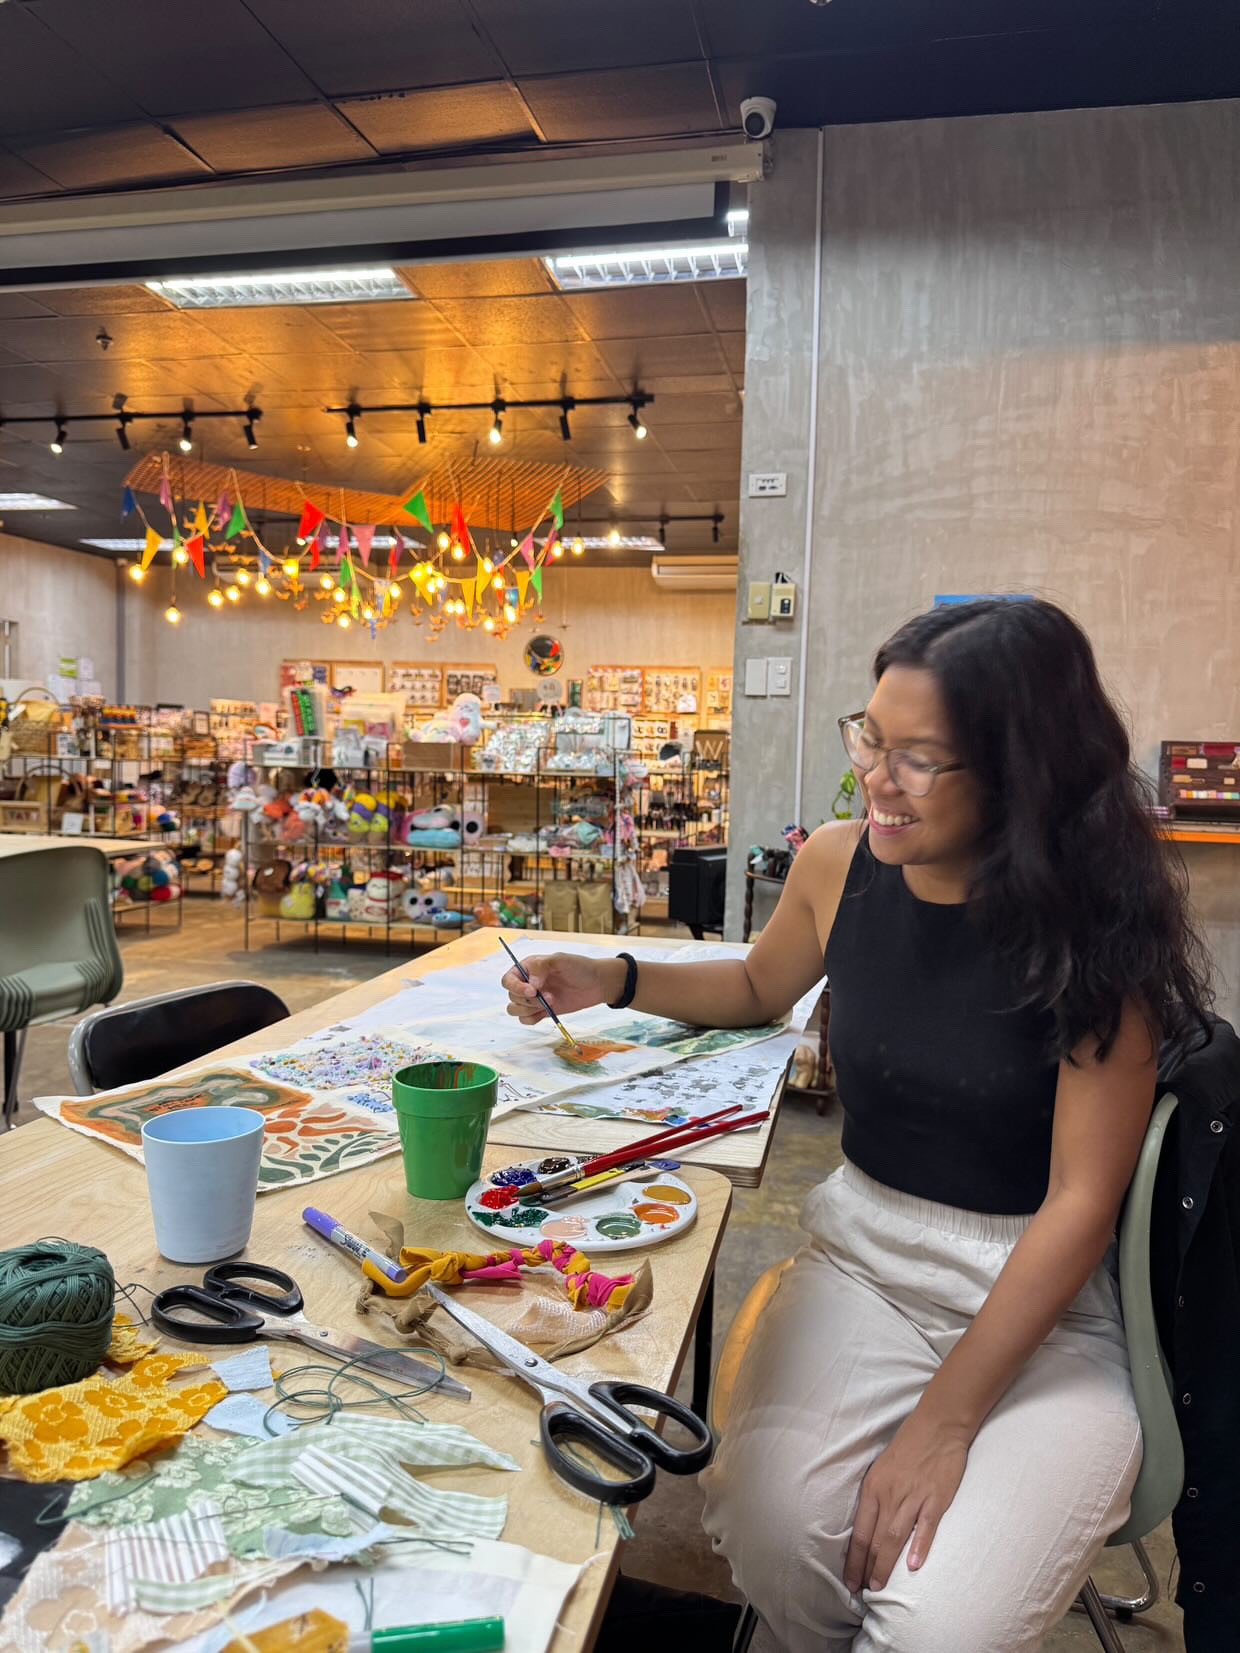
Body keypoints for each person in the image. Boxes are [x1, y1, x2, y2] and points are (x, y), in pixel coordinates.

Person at [502, 598, 1213, 1652]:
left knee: (938, 1625)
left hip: (1044, 1309)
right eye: (871, 737)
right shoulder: (838, 864)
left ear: (1024, 774)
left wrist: (943, 1425)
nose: (876, 777)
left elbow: (1078, 1204)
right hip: (863, 1266)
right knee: (770, 1535)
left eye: (921, 759)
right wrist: (612, 974)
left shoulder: (1092, 934)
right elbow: (756, 982)